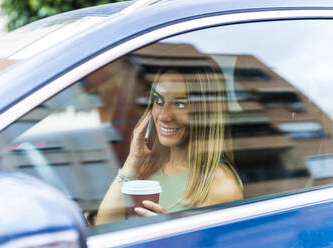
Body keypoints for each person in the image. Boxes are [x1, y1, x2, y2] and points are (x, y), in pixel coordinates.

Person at [95, 62, 243, 225]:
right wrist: (132, 161)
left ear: (204, 112)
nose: (164, 115)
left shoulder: (220, 185)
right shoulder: (148, 166)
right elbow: (104, 225)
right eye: (159, 100)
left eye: (180, 104)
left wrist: (168, 231)